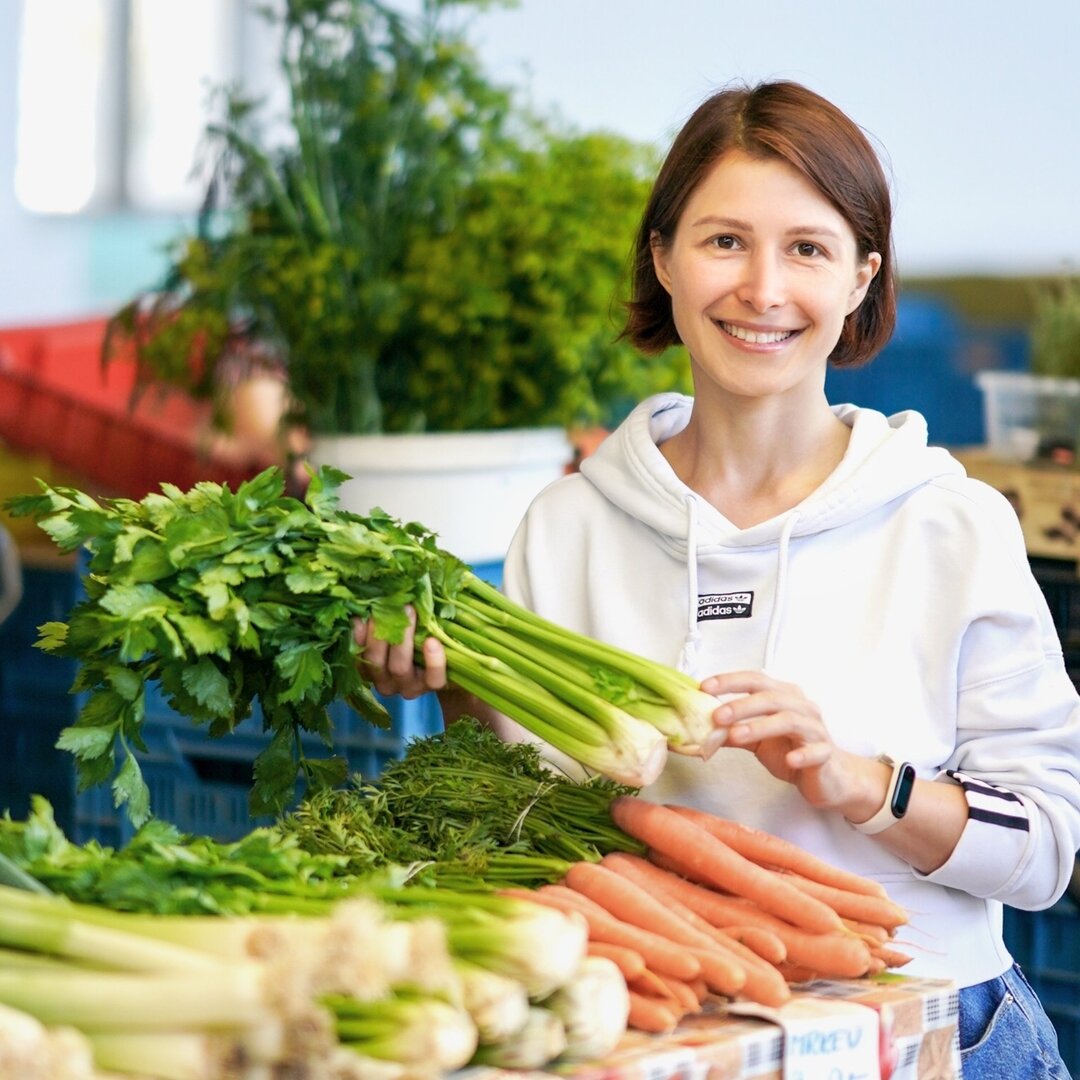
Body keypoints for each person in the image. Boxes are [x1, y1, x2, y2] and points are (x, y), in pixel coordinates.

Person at [355, 80, 1080, 1078]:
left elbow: (1043, 852)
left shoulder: (949, 525)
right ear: (663, 257)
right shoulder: (568, 524)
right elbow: (519, 804)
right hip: (677, 1026)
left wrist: (859, 782)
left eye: (808, 249)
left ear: (863, 277)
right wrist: (457, 690)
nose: (764, 289)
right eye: (725, 241)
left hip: (936, 1031)